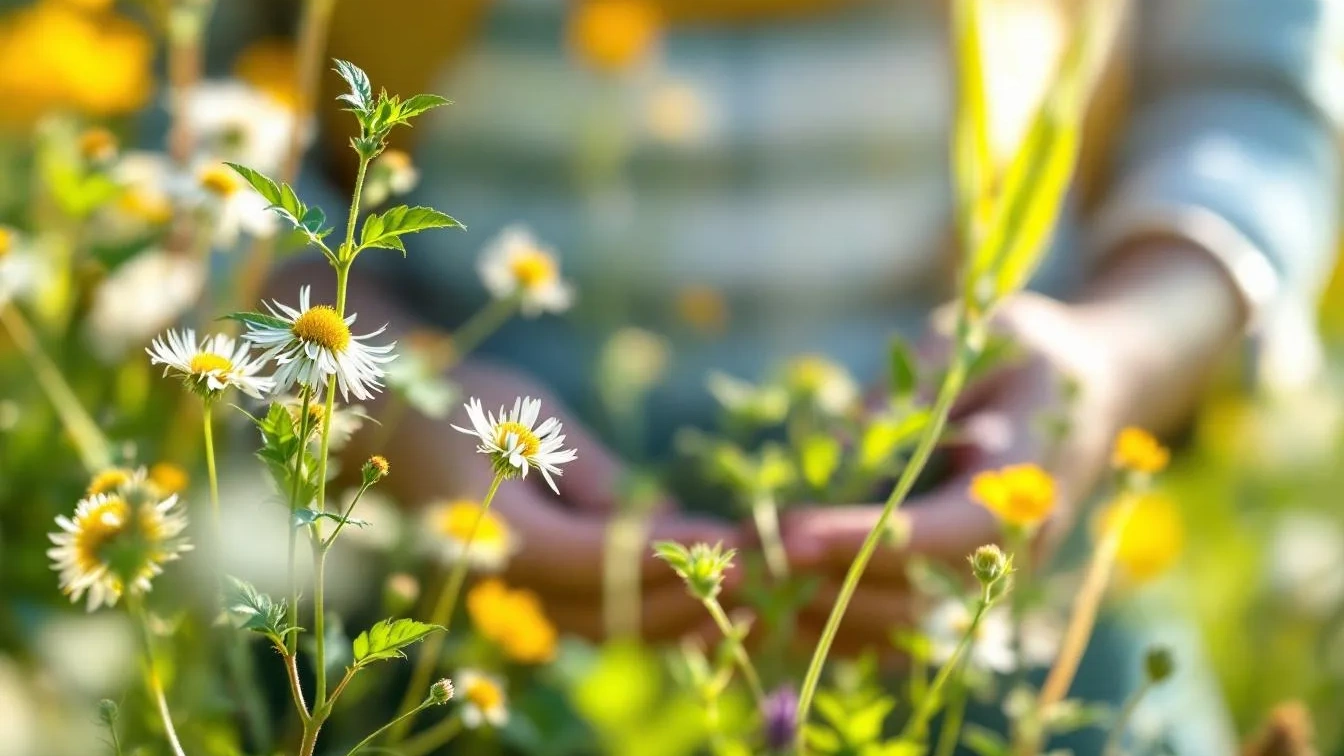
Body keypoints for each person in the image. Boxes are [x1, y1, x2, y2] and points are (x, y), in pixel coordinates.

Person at [271, 0, 1338, 750]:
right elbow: (168, 121)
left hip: (1007, 576)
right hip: (414, 605)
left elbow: (1259, 83)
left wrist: (1120, 353)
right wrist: (371, 395)